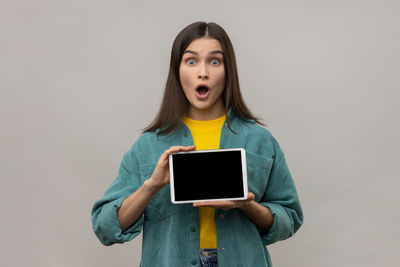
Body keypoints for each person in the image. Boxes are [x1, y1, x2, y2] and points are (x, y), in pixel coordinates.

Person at [91, 21, 303, 267]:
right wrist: (151, 185)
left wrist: (247, 205)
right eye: (191, 61)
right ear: (177, 70)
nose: (203, 72)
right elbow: (105, 227)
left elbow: (290, 219)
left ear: (228, 70)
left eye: (215, 61)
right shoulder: (148, 146)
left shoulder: (261, 141)